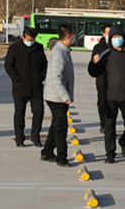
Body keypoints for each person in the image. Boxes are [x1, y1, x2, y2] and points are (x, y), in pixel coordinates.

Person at [89, 25, 125, 163]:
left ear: (123, 38)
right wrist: (94, 63)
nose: (117, 39)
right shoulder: (105, 54)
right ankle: (110, 153)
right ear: (110, 39)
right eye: (114, 37)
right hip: (110, 96)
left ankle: (124, 142)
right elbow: (94, 72)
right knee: (109, 127)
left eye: (119, 36)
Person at [4, 27, 48, 147]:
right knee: (19, 113)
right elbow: (8, 65)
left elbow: (44, 63)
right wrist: (17, 78)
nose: (31, 42)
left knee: (39, 112)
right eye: (29, 40)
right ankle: (19, 138)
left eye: (33, 40)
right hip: (20, 87)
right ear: (23, 37)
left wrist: (41, 76)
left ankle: (35, 136)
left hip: (36, 87)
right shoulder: (14, 48)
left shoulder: (39, 47)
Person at [41, 24, 75, 167]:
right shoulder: (59, 53)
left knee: (56, 124)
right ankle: (61, 157)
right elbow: (56, 78)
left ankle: (47, 151)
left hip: (57, 95)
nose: (74, 38)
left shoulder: (63, 50)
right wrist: (65, 96)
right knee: (61, 127)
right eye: (73, 36)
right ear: (68, 37)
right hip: (56, 97)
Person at [90, 24, 111, 134]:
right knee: (102, 103)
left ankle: (110, 126)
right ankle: (103, 124)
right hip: (102, 80)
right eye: (108, 33)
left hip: (115, 81)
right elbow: (92, 66)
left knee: (112, 105)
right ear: (103, 34)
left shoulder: (117, 48)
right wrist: (95, 62)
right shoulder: (98, 48)